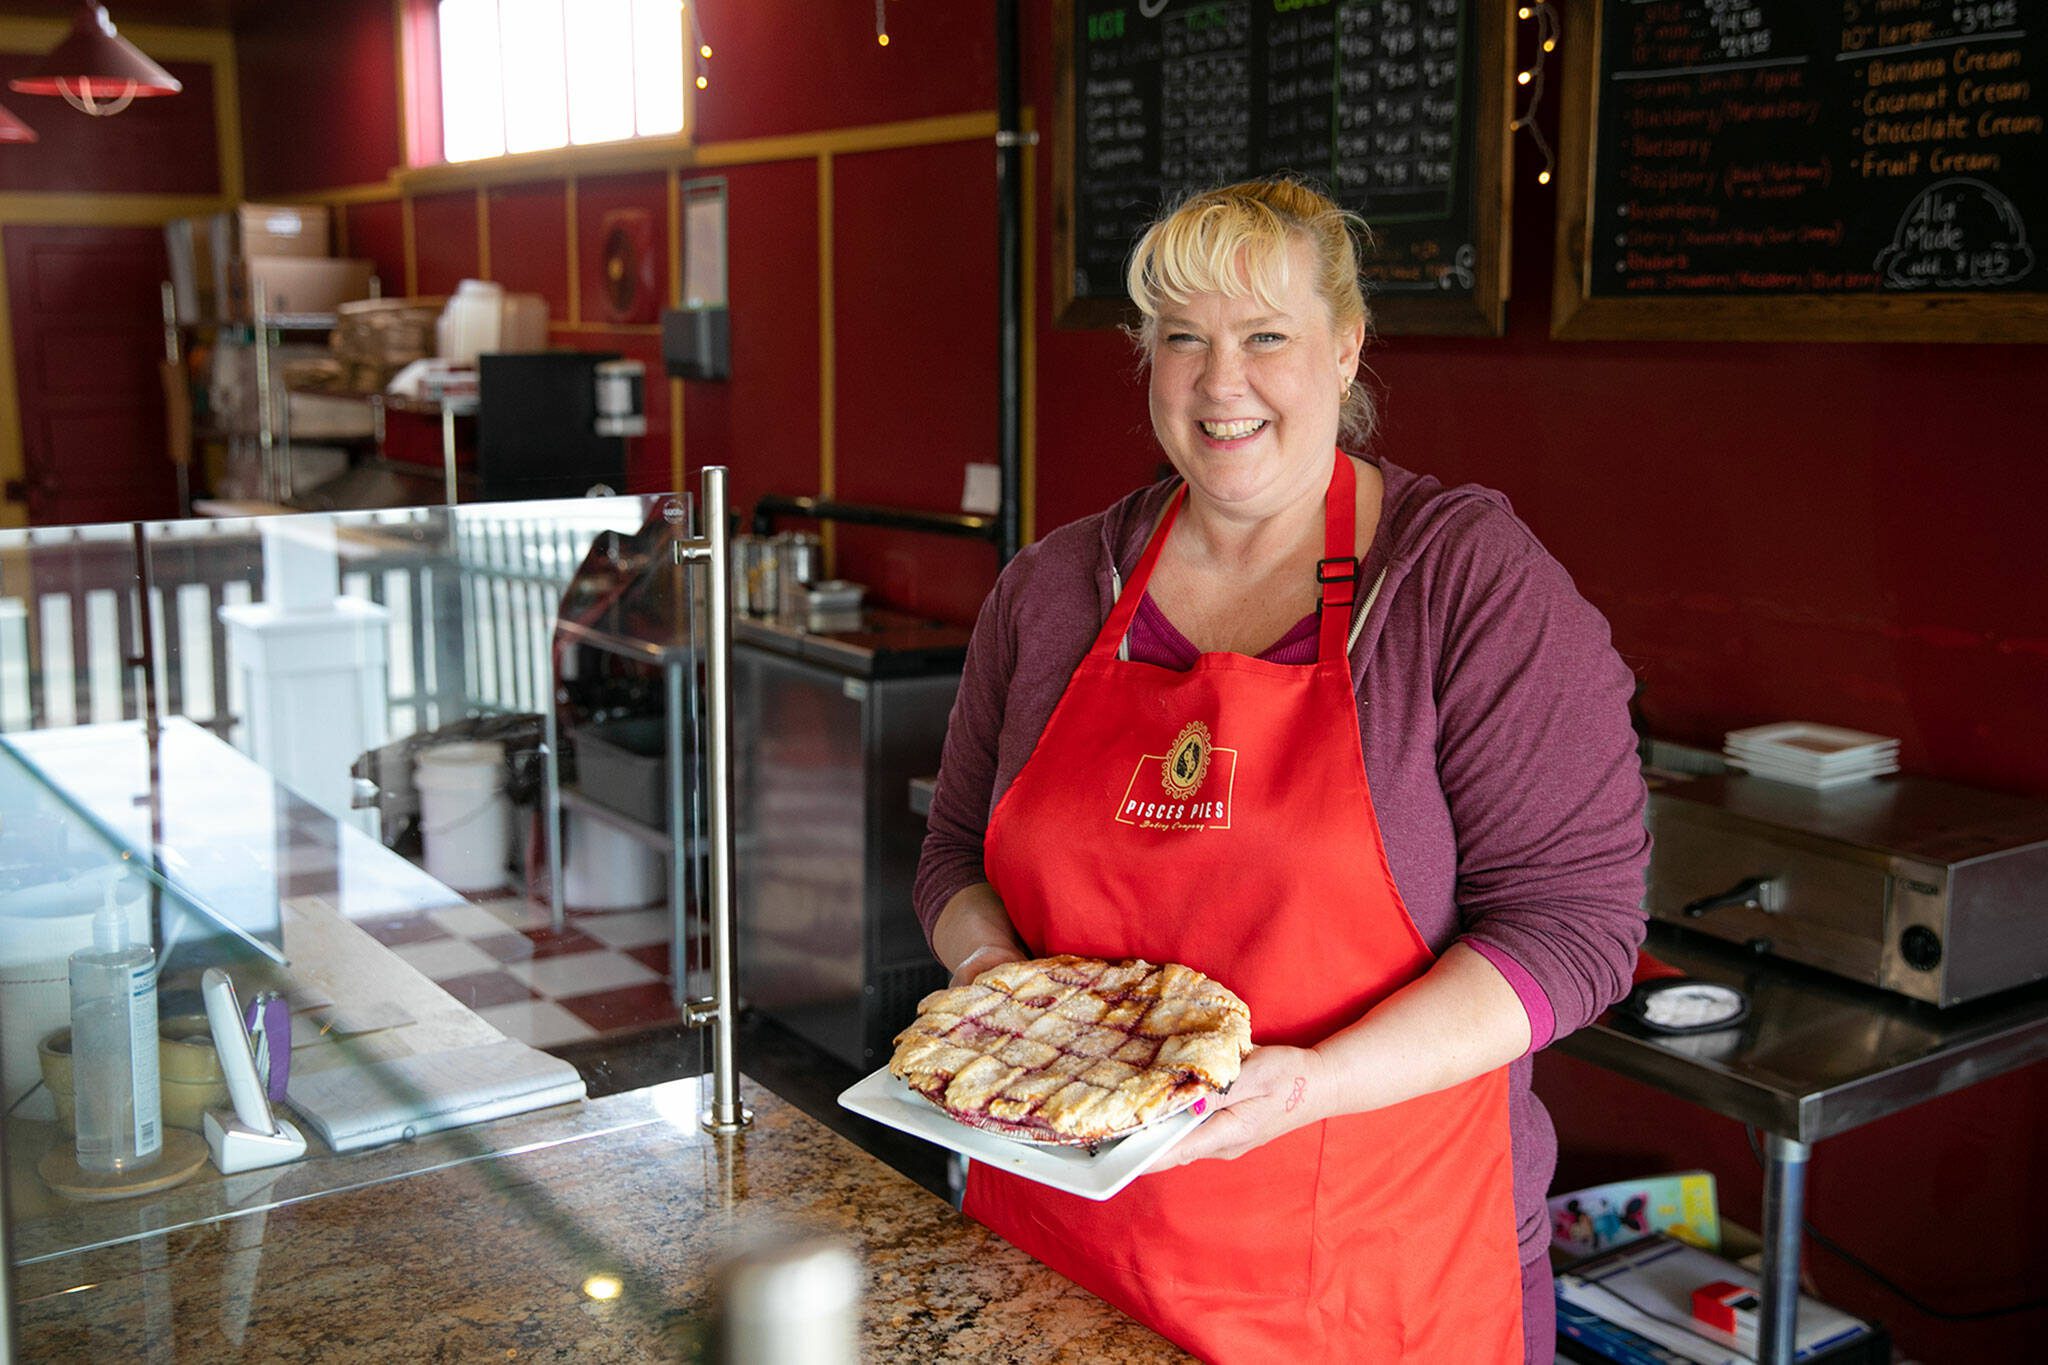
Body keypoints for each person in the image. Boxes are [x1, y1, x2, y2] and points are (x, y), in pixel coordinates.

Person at [913, 178, 1649, 1363]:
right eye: (1182, 341)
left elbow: (1575, 929)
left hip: (1371, 1278)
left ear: (1344, 348)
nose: (1221, 384)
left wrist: (1313, 1084)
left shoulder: (1460, 582)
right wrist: (1006, 998)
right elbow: (951, 853)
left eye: (1265, 337)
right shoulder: (1050, 589)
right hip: (1053, 1252)